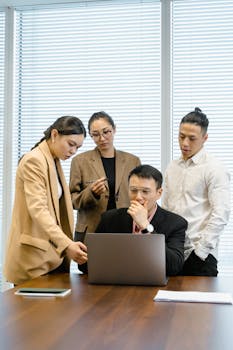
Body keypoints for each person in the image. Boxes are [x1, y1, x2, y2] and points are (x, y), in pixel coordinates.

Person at [4, 116, 88, 285]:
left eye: (77, 148)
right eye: (71, 144)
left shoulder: (53, 160)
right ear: (55, 134)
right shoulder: (34, 160)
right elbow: (39, 210)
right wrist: (67, 244)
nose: (73, 151)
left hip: (50, 256)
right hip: (33, 259)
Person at [162, 107, 231, 276]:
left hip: (200, 255)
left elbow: (221, 214)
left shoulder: (214, 168)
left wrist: (200, 251)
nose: (185, 143)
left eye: (192, 138)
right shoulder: (172, 167)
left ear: (205, 138)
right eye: (181, 136)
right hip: (173, 252)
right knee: (166, 302)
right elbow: (166, 209)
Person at [69, 111, 141, 271]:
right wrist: (91, 193)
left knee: (126, 273)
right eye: (95, 134)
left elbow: (140, 196)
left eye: (106, 132)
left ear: (114, 129)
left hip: (125, 229)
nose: (102, 138)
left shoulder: (132, 161)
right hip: (92, 231)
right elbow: (72, 201)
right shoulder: (80, 161)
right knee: (90, 280)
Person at [95, 165, 187, 276]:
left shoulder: (175, 223)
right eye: (133, 190)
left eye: (145, 191)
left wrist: (145, 226)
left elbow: (174, 267)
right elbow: (88, 264)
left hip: (154, 282)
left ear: (159, 193)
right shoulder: (109, 218)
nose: (138, 197)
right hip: (117, 280)